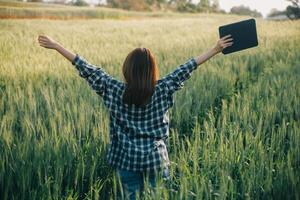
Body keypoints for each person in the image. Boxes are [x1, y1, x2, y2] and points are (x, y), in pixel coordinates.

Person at [38, 34, 233, 199]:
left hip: (126, 162)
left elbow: (87, 68)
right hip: (156, 160)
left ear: (127, 69)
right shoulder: (163, 88)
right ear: (152, 70)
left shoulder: (113, 89)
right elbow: (187, 67)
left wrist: (56, 46)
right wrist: (215, 49)